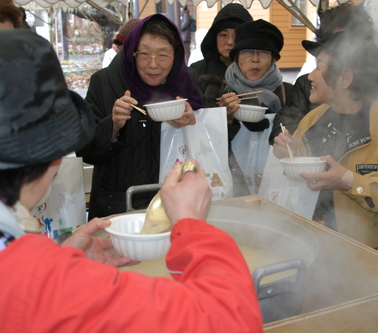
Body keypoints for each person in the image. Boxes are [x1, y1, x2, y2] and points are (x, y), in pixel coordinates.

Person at [0, 29, 263, 332]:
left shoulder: (29, 270)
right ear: (52, 159)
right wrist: (192, 225)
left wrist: (65, 259)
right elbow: (230, 320)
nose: (154, 62)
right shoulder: (42, 283)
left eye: (163, 53)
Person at [273, 31, 378, 248]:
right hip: (310, 241)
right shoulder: (311, 120)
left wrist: (349, 181)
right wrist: (289, 154)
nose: (310, 76)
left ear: (344, 79)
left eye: (319, 66)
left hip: (366, 253)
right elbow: (300, 179)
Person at [78, 14, 204, 220]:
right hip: (118, 207)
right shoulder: (104, 82)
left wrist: (193, 120)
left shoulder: (186, 83)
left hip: (176, 206)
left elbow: (208, 141)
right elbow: (86, 151)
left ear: (176, 55)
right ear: (132, 53)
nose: (153, 64)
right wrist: (113, 125)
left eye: (163, 55)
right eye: (144, 53)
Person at [270, 2, 378, 145]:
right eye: (337, 41)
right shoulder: (309, 84)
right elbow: (284, 125)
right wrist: (288, 143)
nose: (345, 49)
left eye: (351, 41)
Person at [203, 19, 292, 197]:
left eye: (264, 53)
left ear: (273, 59)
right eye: (247, 52)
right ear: (235, 57)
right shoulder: (217, 91)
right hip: (231, 188)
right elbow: (205, 147)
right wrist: (224, 118)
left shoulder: (288, 93)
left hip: (276, 188)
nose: (255, 59)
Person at [189, 3, 253, 94]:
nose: (230, 42)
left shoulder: (256, 70)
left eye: (236, 36)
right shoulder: (197, 70)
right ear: (214, 38)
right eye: (223, 35)